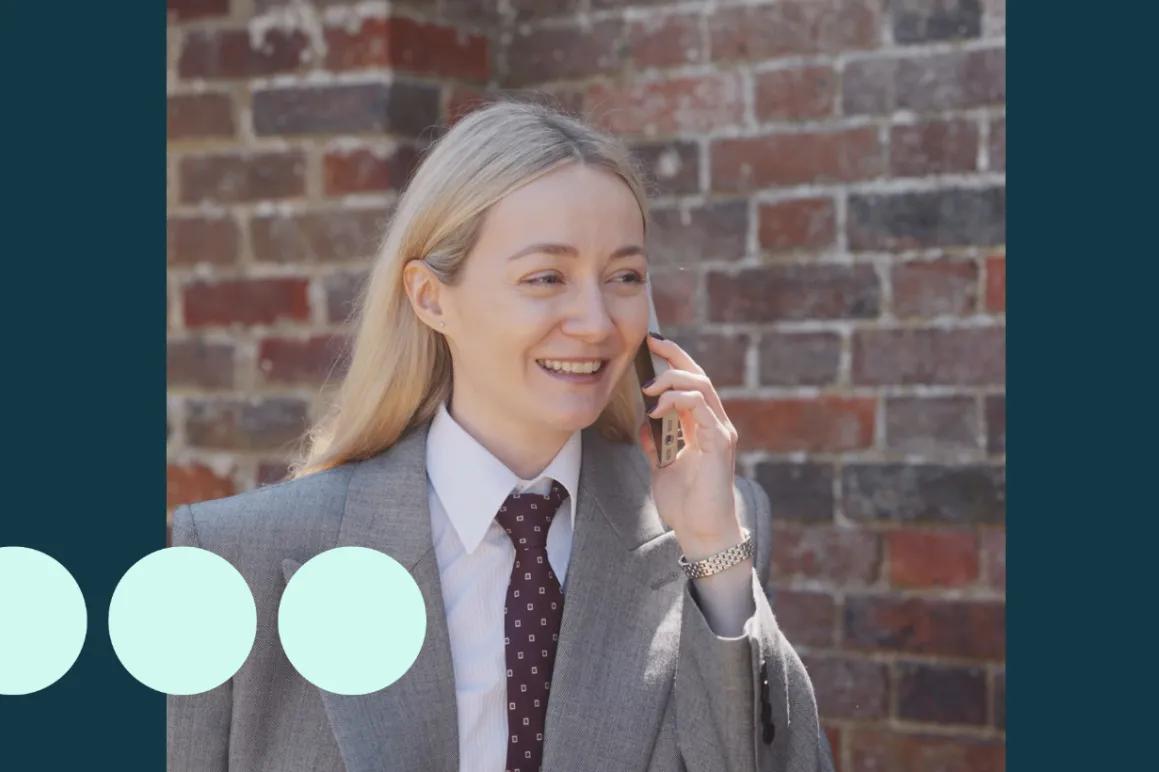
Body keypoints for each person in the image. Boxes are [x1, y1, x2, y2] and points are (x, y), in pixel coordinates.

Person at [168, 98, 835, 772]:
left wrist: (711, 546)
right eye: (546, 278)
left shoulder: (712, 534)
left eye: (624, 277)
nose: (597, 322)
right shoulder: (237, 556)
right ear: (431, 299)